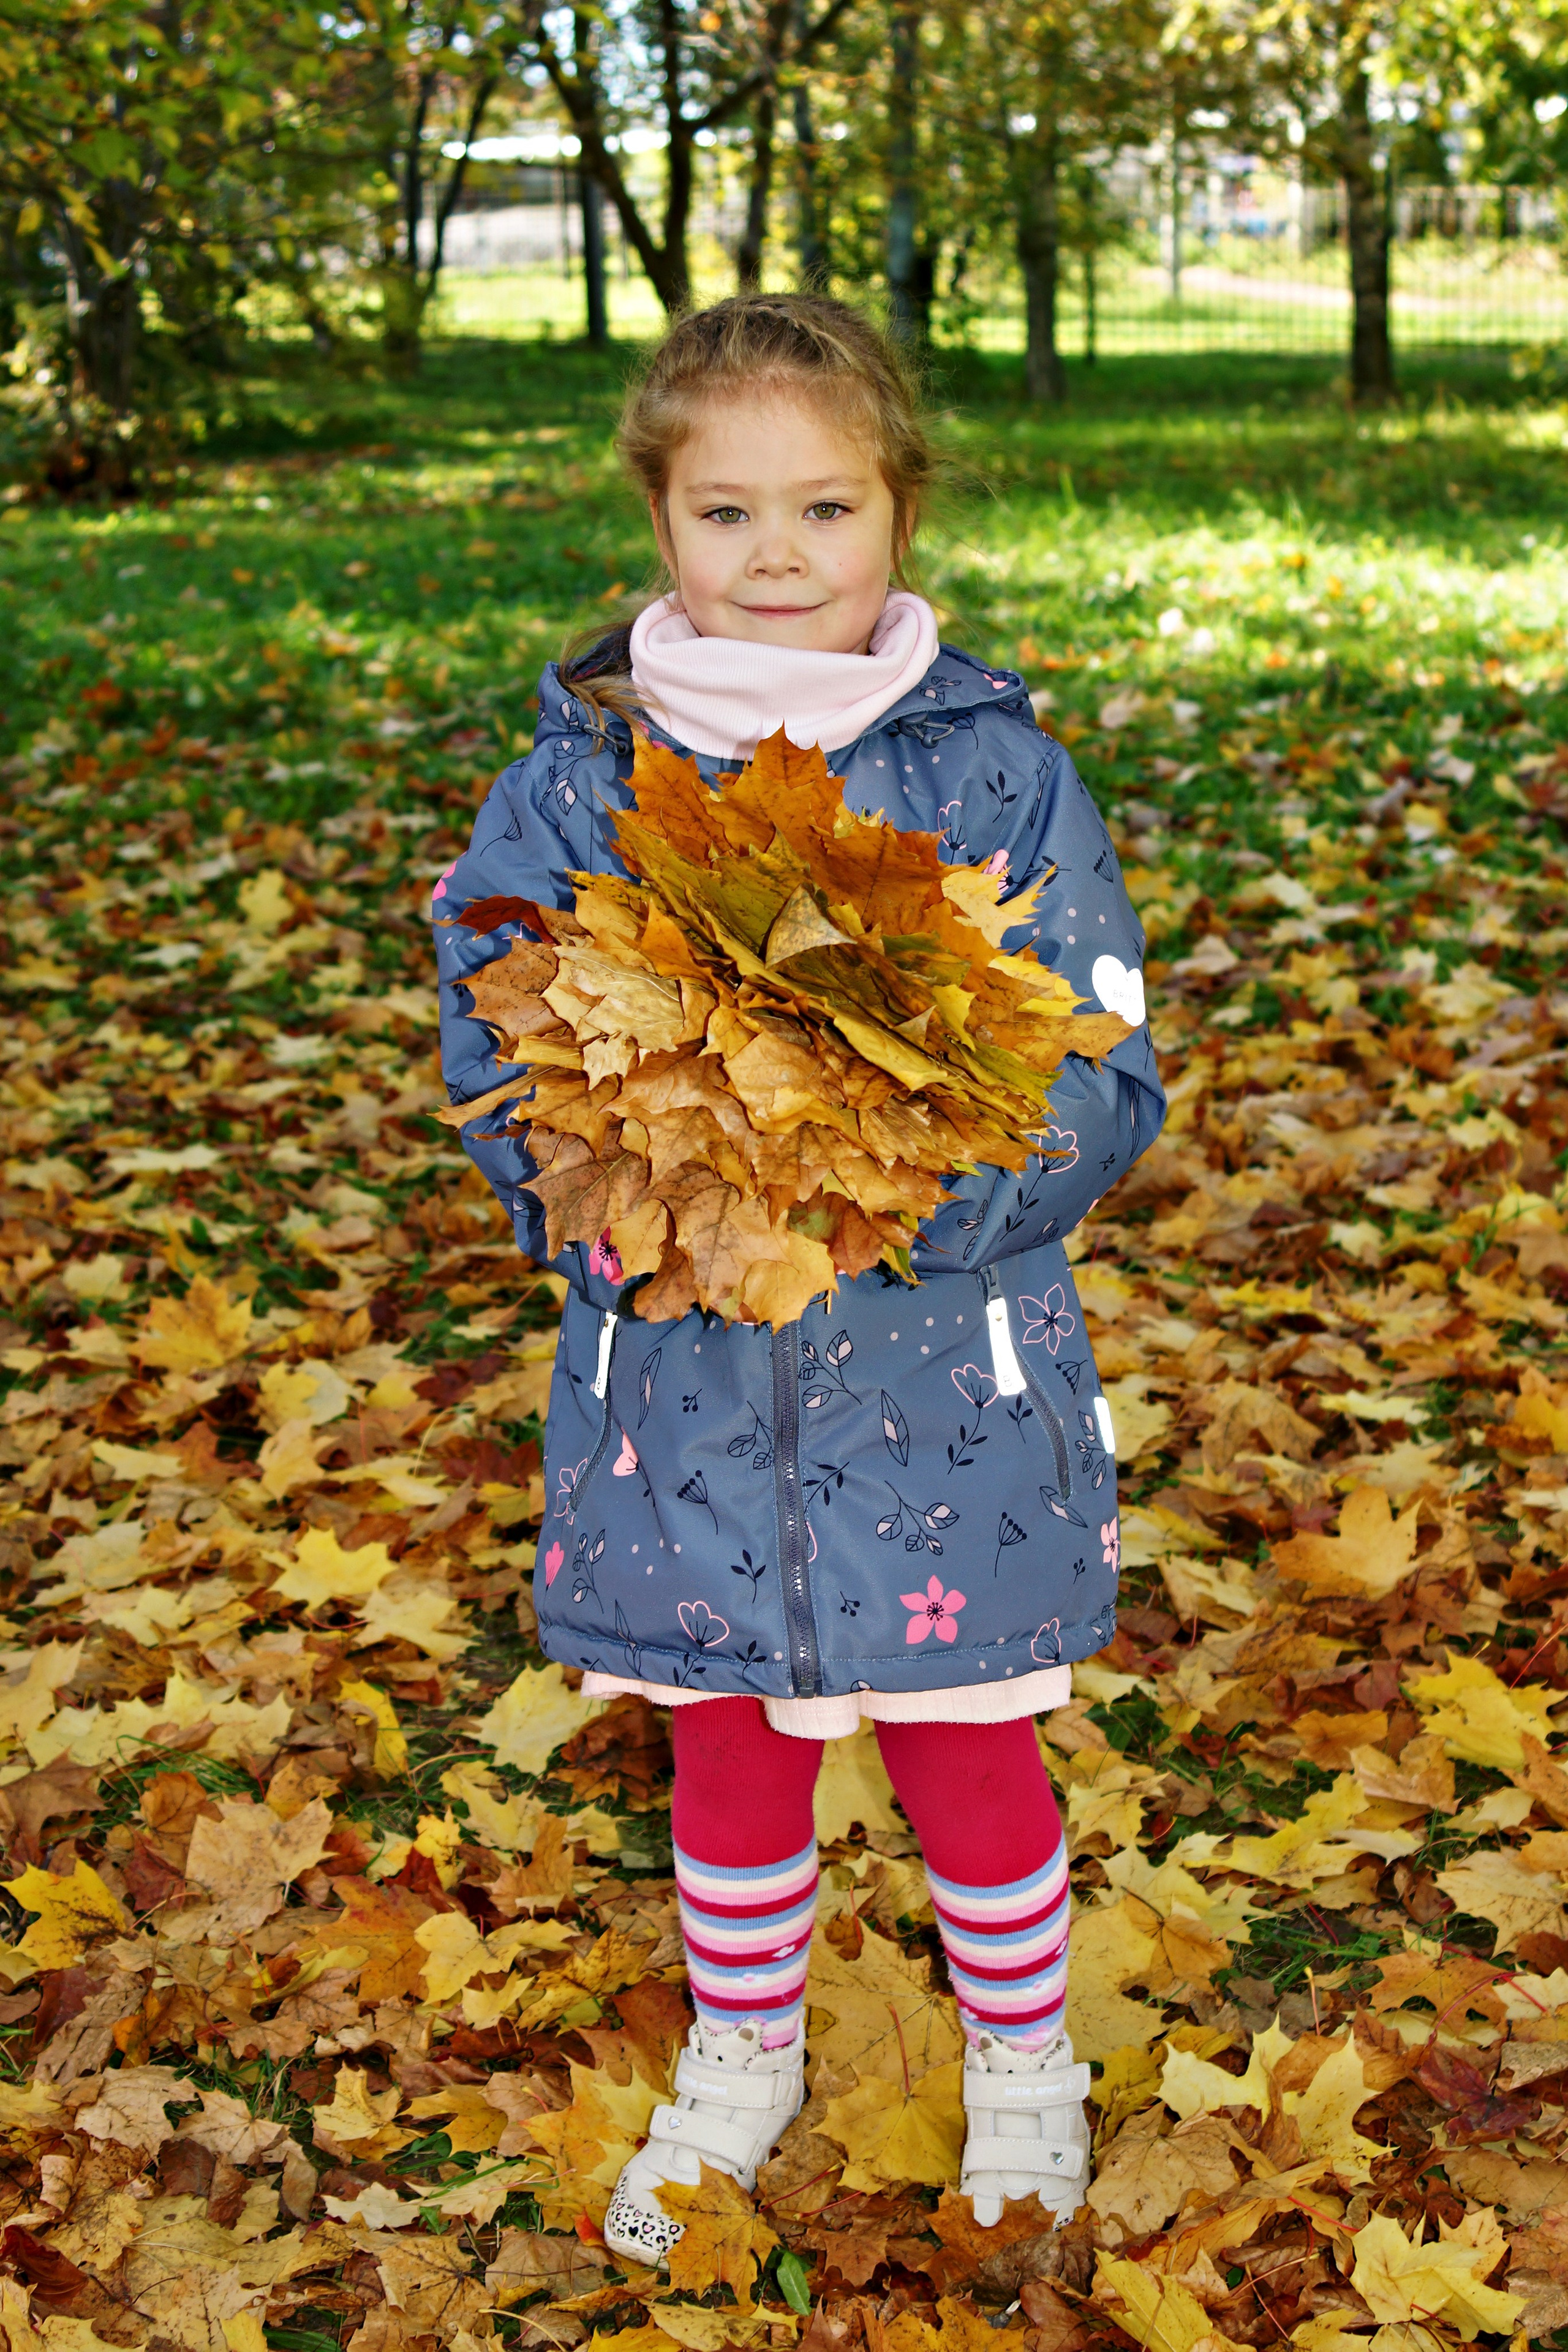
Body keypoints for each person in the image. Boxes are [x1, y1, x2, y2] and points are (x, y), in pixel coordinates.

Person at [434, 294, 1165, 2259]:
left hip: (945, 1383)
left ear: (898, 517)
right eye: (726, 511)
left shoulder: (996, 777)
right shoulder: (584, 774)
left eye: (826, 509)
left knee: (966, 1734)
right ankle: (741, 2050)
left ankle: (1024, 2063)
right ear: (659, 528)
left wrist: (915, 1197)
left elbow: (1103, 1054)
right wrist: (587, 1195)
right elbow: (493, 1011)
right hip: (675, 1381)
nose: (778, 556)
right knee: (725, 1737)